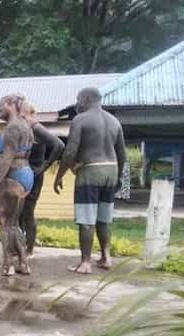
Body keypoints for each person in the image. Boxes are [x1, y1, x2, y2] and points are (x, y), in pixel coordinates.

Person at [54, 87, 126, 274]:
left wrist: (59, 175)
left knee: (86, 219)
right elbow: (122, 155)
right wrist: (119, 177)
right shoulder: (114, 121)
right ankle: (106, 257)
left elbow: (70, 150)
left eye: (78, 100)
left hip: (91, 171)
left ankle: (85, 262)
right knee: (103, 218)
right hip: (111, 171)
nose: (77, 104)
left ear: (86, 99)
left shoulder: (80, 119)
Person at [0, 94, 35, 276]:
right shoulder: (25, 125)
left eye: (1, 105)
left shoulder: (13, 127)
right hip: (23, 174)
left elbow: (7, 158)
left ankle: (8, 264)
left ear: (11, 104)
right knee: (13, 223)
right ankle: (23, 262)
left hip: (12, 176)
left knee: (4, 222)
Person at [20, 103, 65, 257]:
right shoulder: (22, 128)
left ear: (28, 113)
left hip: (34, 174)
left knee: (28, 211)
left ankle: (29, 249)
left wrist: (44, 166)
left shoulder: (36, 127)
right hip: (22, 173)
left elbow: (59, 145)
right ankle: (20, 246)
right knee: (18, 212)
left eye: (22, 113)